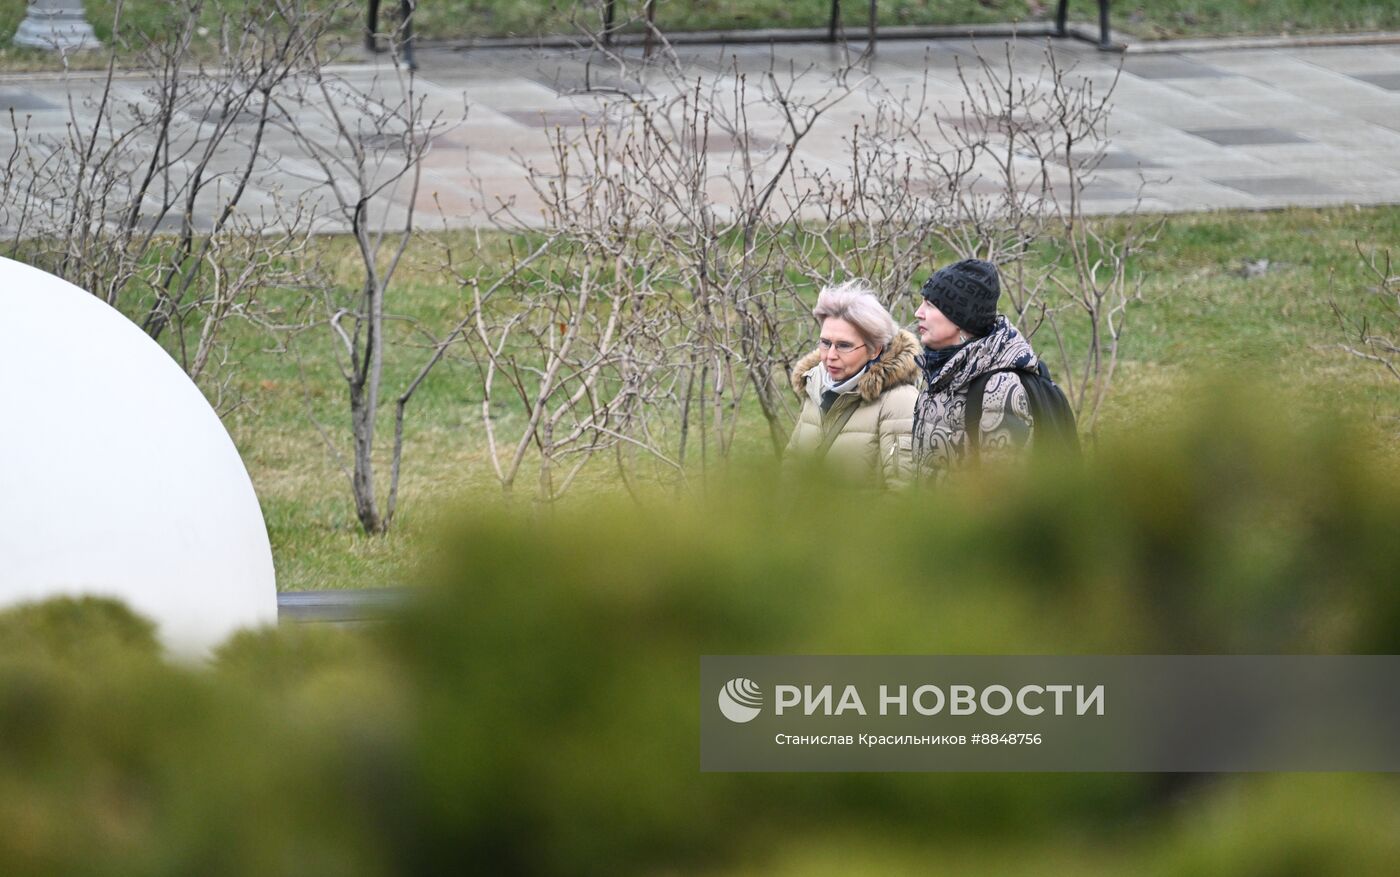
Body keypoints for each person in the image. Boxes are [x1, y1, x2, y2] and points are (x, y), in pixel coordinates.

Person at [911, 258, 1042, 482]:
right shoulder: (940, 375)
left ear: (961, 318)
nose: (918, 312)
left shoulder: (999, 387)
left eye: (930, 305)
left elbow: (1005, 491)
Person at [784, 281, 921, 488]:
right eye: (825, 343)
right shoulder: (815, 387)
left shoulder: (900, 401)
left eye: (844, 345)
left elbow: (903, 494)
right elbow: (791, 467)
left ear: (875, 350)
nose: (830, 356)